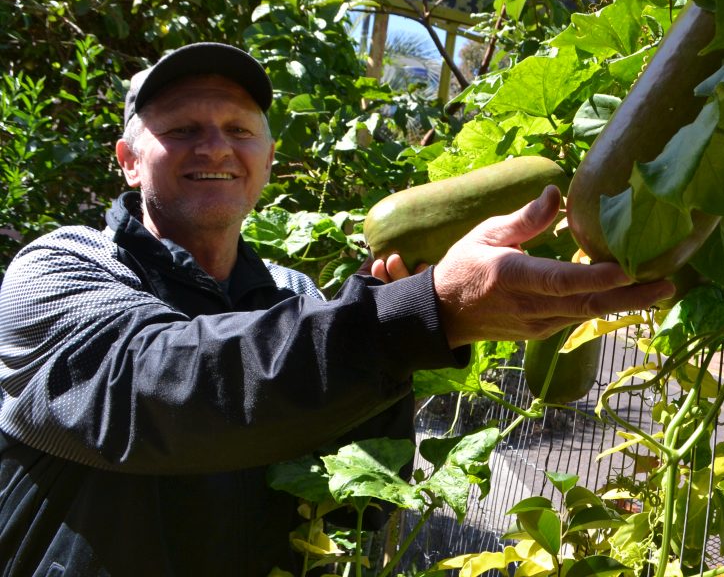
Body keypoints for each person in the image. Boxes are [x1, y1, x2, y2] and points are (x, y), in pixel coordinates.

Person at [0, 42, 672, 576]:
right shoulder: (61, 269)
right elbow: (153, 391)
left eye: (239, 128)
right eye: (182, 129)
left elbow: (360, 497)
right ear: (126, 160)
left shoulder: (296, 298)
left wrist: (388, 323)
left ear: (267, 159)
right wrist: (416, 313)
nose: (215, 147)